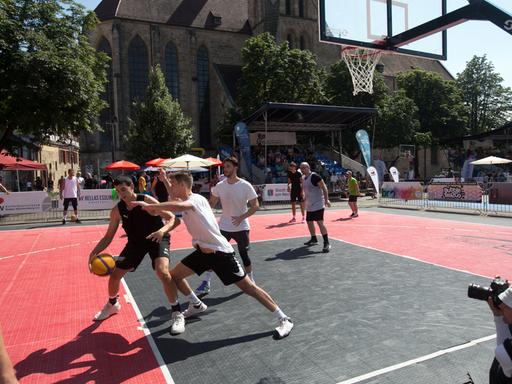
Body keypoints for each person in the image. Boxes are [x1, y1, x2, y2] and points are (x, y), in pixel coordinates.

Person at [131, 172, 294, 339]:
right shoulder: (184, 197)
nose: (170, 188)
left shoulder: (195, 200)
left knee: (249, 288)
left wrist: (153, 206)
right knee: (174, 276)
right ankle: (196, 304)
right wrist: (165, 180)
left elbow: (180, 207)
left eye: (173, 184)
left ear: (182, 185)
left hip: (220, 253)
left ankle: (284, 319)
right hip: (203, 252)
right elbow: (174, 198)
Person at [88, 175, 204, 335]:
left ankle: (177, 313)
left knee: (163, 272)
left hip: (157, 238)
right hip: (135, 244)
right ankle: (112, 304)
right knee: (115, 276)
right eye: (117, 191)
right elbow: (108, 237)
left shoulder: (147, 200)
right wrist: (93, 253)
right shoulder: (117, 210)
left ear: (131, 187)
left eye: (123, 189)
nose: (121, 194)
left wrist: (161, 231)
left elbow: (173, 219)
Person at [194, 157, 259, 297]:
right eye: (225, 167)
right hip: (223, 227)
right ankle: (206, 282)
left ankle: (251, 280)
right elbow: (211, 204)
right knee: (214, 254)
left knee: (244, 255)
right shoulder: (220, 186)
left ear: (235, 168)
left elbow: (255, 206)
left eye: (228, 167)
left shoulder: (245, 185)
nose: (225, 169)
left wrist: (242, 217)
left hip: (241, 227)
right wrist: (199, 211)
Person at [299, 162, 331, 253]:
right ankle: (314, 238)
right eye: (301, 168)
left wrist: (326, 200)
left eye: (304, 167)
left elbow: (324, 188)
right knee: (309, 222)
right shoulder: (303, 178)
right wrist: (304, 197)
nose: (302, 169)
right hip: (309, 205)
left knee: (320, 223)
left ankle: (326, 243)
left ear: (308, 167)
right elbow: (305, 190)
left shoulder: (315, 176)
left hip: (318, 204)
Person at [489, 286, 512, 383]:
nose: (501, 306)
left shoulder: (507, 351)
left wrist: (498, 317)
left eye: (505, 305)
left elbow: (502, 355)